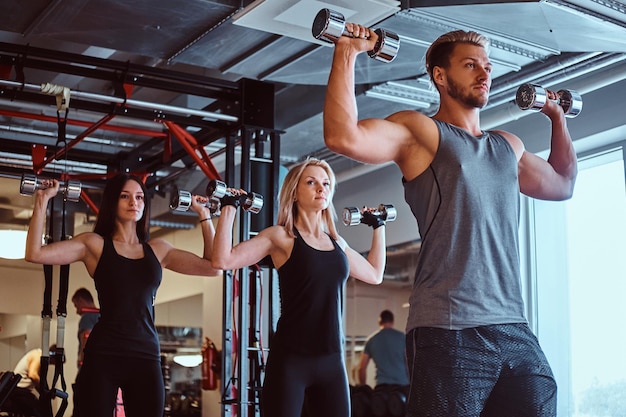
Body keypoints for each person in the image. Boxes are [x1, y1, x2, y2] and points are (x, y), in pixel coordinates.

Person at [323, 27, 577, 417]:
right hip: (448, 327)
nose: (484, 74)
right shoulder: (421, 131)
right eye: (470, 65)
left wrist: (557, 118)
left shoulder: (507, 145)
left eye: (488, 67)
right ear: (440, 76)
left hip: (513, 325)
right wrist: (347, 50)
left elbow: (562, 184)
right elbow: (343, 136)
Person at [24, 173, 221, 417]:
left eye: (139, 197)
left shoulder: (158, 250)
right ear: (112, 203)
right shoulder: (94, 245)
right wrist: (42, 200)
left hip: (146, 355)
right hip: (104, 354)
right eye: (125, 196)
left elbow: (214, 267)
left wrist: (205, 215)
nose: (134, 202)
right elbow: (35, 254)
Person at [211, 158, 387, 417]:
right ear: (294, 192)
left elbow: (374, 274)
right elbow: (222, 260)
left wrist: (379, 226)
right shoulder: (281, 237)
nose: (321, 188)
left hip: (331, 361)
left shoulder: (338, 243)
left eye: (326, 183)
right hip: (291, 361)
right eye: (311, 182)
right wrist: (229, 208)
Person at [358, 310, 409, 389]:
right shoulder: (403, 338)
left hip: (382, 387)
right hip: (402, 386)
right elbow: (409, 362)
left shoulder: (371, 340)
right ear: (392, 321)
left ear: (380, 322)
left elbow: (361, 368)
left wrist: (363, 388)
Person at [71, 287, 100, 417]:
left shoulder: (87, 317)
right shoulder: (102, 316)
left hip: (88, 368)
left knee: (80, 403)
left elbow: (86, 339)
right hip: (100, 369)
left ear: (82, 300)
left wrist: (82, 362)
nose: (77, 311)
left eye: (76, 305)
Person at [10, 345, 61, 417]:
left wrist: (46, 393)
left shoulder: (39, 356)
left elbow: (36, 383)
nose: (51, 364)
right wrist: (46, 390)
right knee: (40, 411)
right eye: (53, 362)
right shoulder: (38, 355)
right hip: (19, 390)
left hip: (21, 391)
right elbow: (33, 375)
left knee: (41, 408)